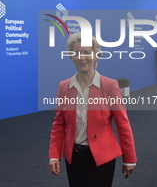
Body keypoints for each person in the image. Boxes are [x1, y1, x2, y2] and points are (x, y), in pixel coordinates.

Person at [48, 32, 137, 187]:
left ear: (97, 56)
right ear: (71, 57)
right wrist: (54, 155)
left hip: (103, 157)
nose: (81, 57)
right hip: (73, 157)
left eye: (87, 52)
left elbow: (123, 125)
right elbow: (59, 125)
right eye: (76, 53)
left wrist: (129, 157)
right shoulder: (64, 86)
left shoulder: (110, 86)